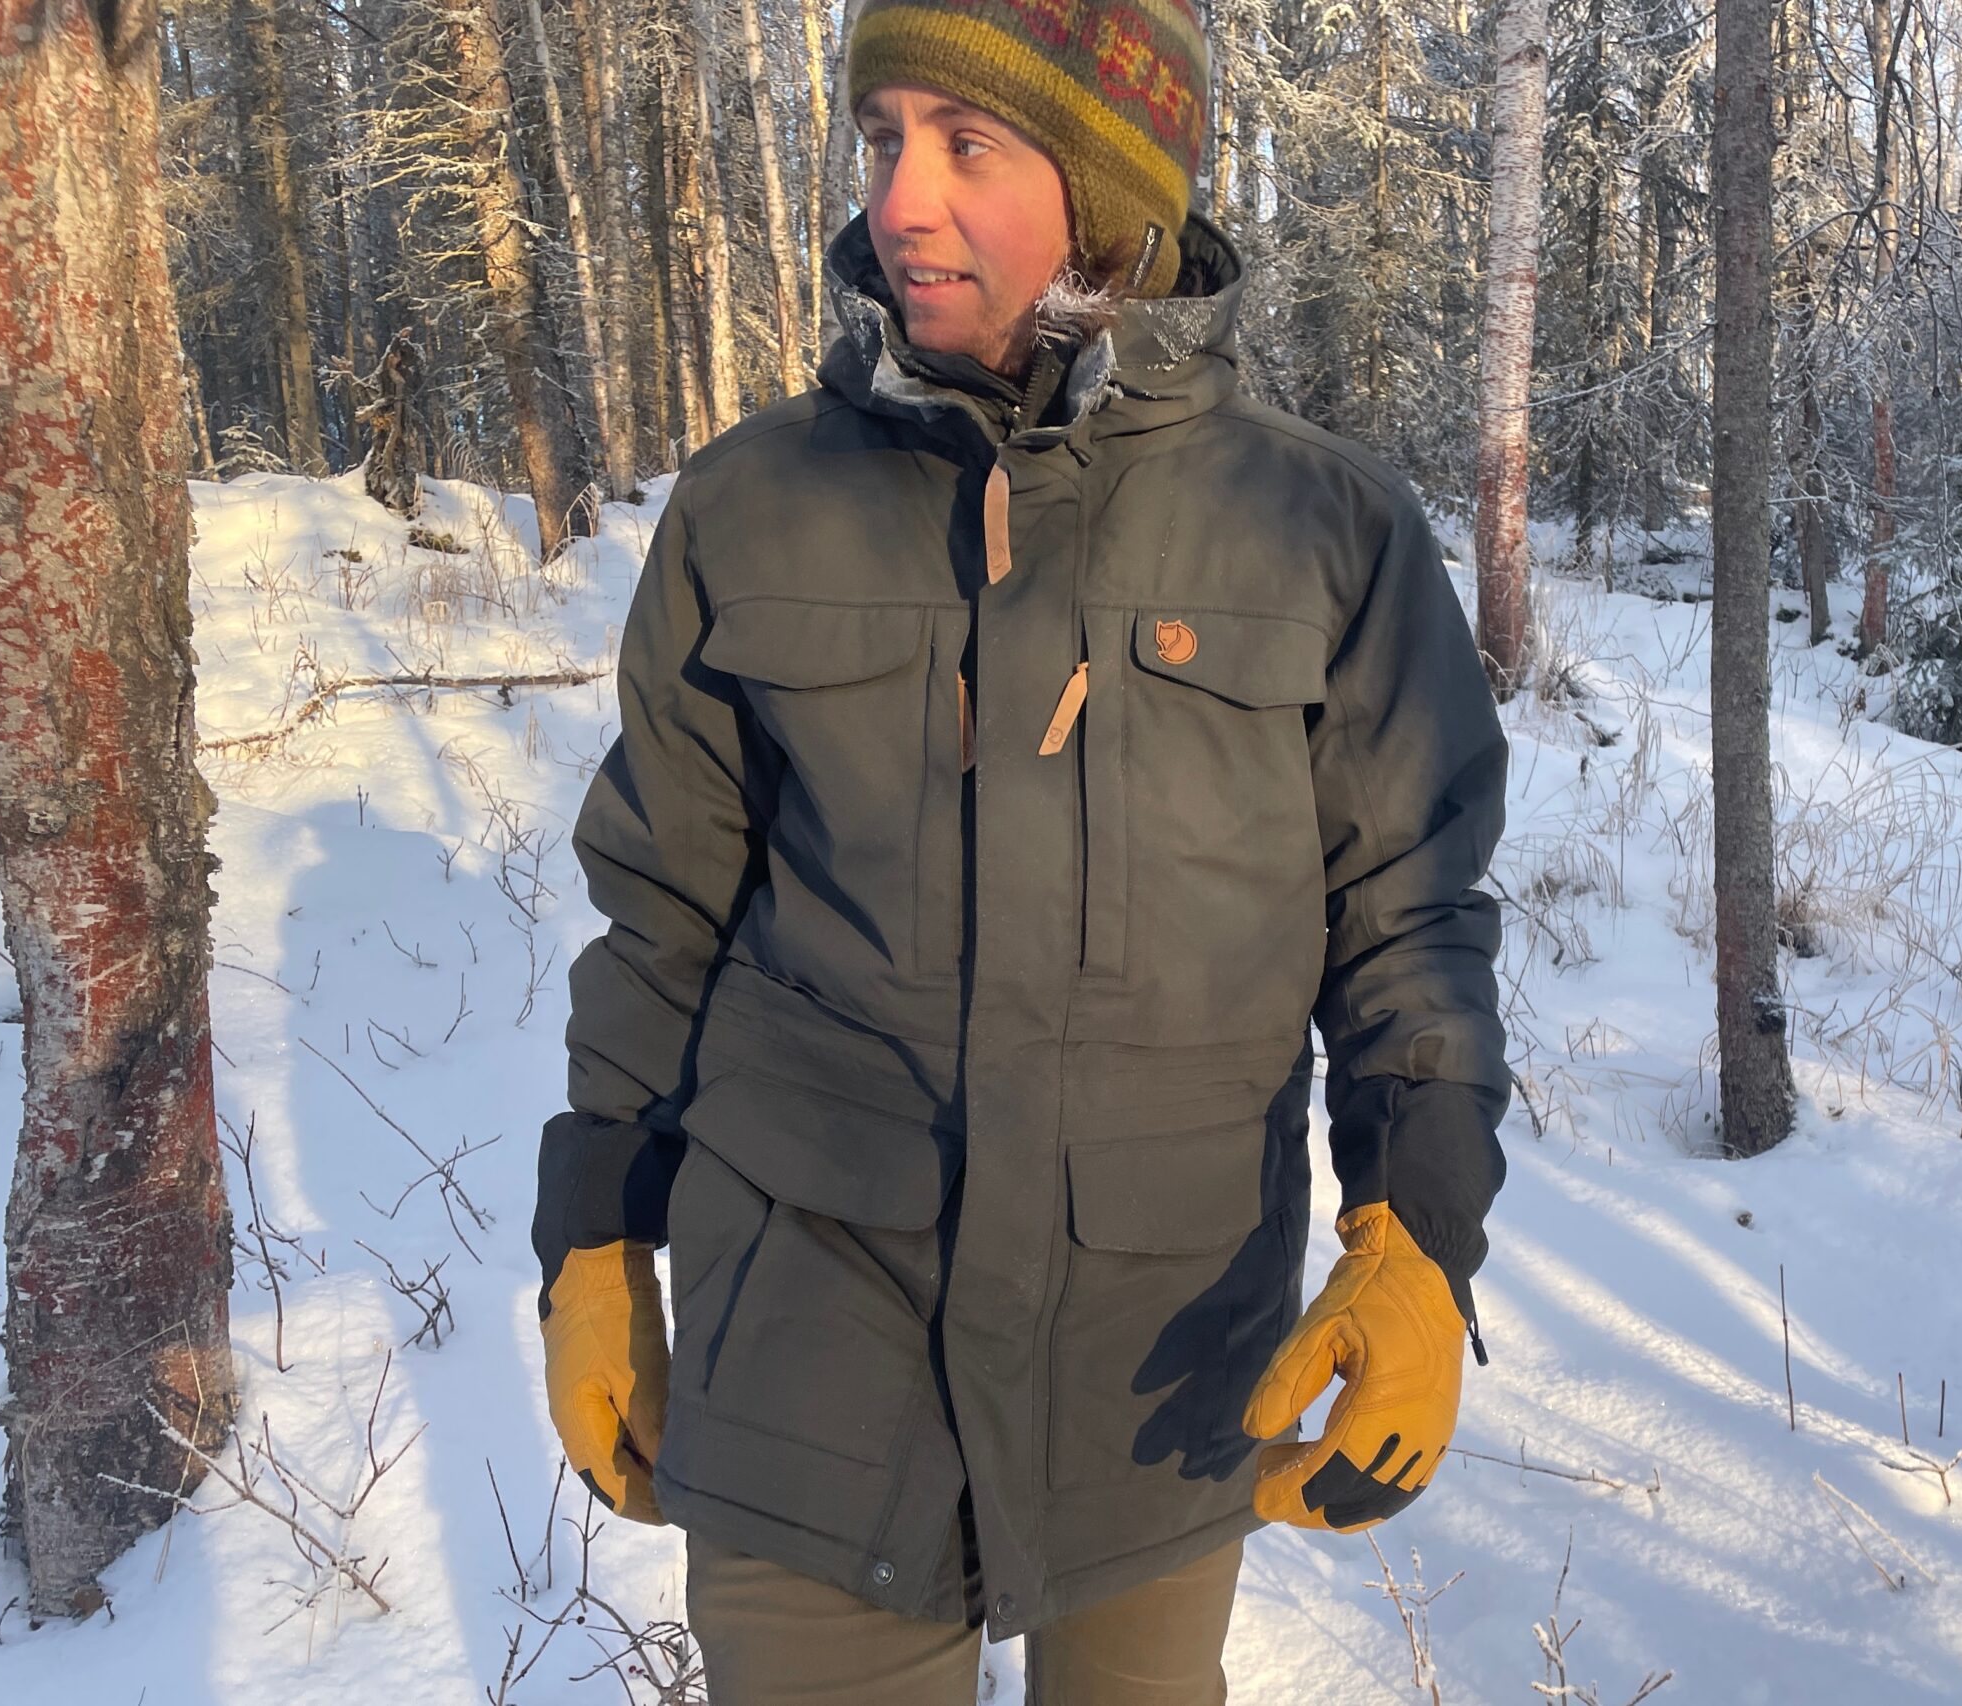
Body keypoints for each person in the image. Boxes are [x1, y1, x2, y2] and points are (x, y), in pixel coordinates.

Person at [531, 0, 1511, 1696]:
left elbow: (1406, 914)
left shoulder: (1324, 533)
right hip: (810, 1332)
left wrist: (1417, 1236)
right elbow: (664, 908)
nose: (901, 198)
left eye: (966, 144)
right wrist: (595, 1229)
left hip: (1158, 1350)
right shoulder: (750, 506)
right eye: (882, 136)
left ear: (1111, 183)